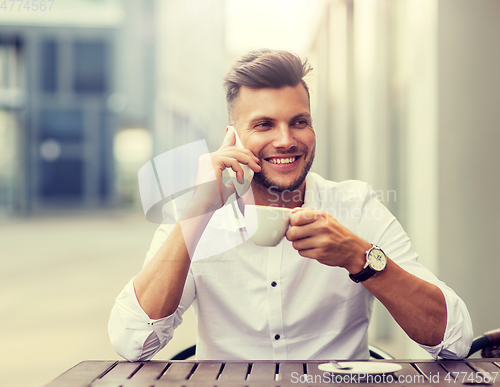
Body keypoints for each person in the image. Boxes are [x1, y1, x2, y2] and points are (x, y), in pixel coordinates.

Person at [109, 49, 473, 361]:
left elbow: (455, 341)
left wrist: (359, 257)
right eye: (264, 124)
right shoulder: (196, 216)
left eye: (299, 122)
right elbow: (132, 343)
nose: (286, 140)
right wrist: (198, 211)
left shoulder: (356, 206)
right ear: (231, 136)